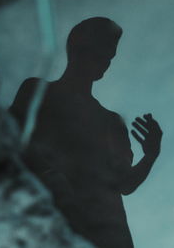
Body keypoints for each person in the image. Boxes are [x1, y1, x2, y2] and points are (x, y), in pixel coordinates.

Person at [9, 17, 163, 248]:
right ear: (77, 47)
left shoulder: (111, 122)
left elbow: (125, 183)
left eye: (109, 56)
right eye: (99, 51)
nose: (105, 62)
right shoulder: (38, 92)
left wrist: (151, 155)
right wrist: (51, 178)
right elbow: (10, 141)